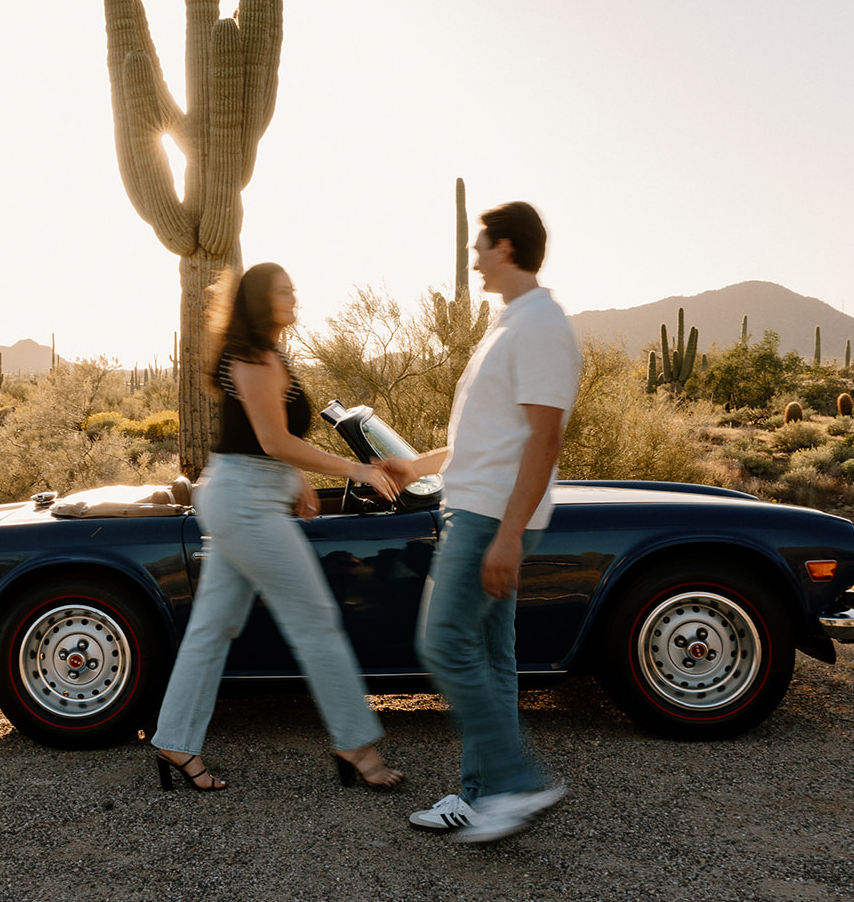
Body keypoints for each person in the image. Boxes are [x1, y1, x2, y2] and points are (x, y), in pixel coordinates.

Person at [149, 262, 405, 793]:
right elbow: (271, 439)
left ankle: (174, 739)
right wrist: (355, 468)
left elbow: (263, 438)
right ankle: (355, 742)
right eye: (283, 290)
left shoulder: (271, 354)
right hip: (244, 502)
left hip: (246, 492)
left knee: (213, 626)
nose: (294, 296)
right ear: (261, 301)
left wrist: (292, 478)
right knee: (315, 618)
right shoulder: (252, 358)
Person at [378, 201, 582, 842]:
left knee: (442, 644)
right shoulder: (511, 323)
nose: (472, 256)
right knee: (493, 658)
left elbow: (544, 442)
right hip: (475, 506)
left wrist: (510, 536)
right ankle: (483, 794)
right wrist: (417, 465)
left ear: (507, 248)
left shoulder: (541, 324)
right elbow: (488, 439)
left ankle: (516, 783)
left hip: (492, 516)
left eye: (480, 245)